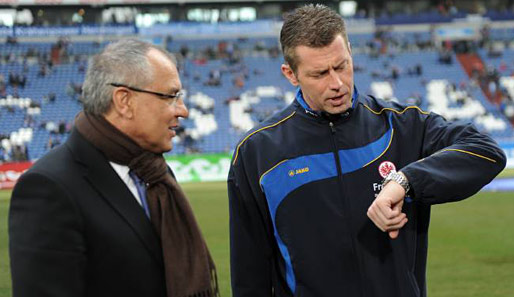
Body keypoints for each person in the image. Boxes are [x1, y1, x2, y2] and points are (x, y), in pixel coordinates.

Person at [227, 4, 506, 297]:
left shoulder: (400, 126)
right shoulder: (257, 153)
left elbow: (487, 152)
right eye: (320, 74)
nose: (336, 84)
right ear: (290, 74)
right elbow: (249, 277)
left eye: (342, 65)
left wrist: (405, 181)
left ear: (350, 51)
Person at [9, 39, 218, 297]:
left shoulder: (155, 174)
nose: (183, 111)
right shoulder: (48, 188)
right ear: (124, 101)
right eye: (170, 96)